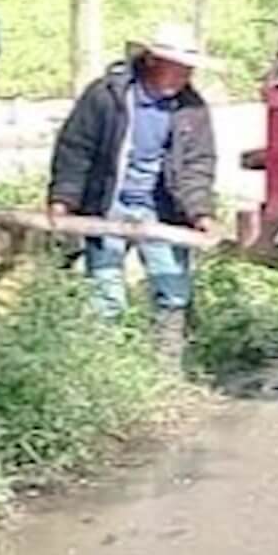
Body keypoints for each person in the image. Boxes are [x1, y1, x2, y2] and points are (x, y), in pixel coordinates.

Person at [47, 21, 219, 362]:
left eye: (189, 69)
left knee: (171, 289)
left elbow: (198, 164)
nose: (185, 76)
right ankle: (105, 364)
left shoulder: (191, 110)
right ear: (153, 62)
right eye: (178, 68)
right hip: (107, 203)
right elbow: (75, 148)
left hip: (161, 208)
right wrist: (63, 199)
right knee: (105, 290)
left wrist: (200, 212)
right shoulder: (106, 97)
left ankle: (166, 366)